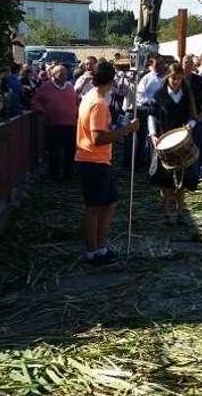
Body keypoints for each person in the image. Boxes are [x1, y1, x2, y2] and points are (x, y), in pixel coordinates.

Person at [75, 62, 139, 264]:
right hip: (93, 159)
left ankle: (100, 247)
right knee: (94, 206)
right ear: (111, 81)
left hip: (99, 159)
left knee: (109, 203)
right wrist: (127, 130)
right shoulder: (98, 103)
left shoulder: (90, 97)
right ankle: (92, 251)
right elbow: (98, 138)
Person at [148, 63, 200, 225]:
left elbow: (193, 117)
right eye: (173, 78)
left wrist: (189, 127)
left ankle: (180, 211)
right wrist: (153, 135)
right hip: (163, 140)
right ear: (167, 78)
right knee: (164, 179)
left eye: (179, 78)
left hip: (183, 142)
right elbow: (152, 116)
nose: (176, 81)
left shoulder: (187, 96)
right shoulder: (159, 95)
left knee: (183, 180)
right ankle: (166, 210)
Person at [32, 65, 79, 180]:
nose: (64, 76)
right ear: (54, 75)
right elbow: (35, 100)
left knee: (70, 151)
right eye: (61, 74)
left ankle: (69, 173)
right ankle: (55, 174)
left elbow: (77, 100)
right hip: (54, 124)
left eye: (65, 74)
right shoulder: (46, 87)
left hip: (70, 124)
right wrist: (41, 110)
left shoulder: (69, 87)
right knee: (55, 152)